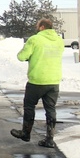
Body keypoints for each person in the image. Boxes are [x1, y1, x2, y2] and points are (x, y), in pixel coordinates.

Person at [10, 18, 66, 148]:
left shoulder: (34, 39)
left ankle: (26, 133)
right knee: (50, 109)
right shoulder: (59, 41)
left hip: (37, 80)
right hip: (54, 81)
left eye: (37, 25)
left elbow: (21, 56)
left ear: (41, 27)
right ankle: (50, 138)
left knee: (29, 106)